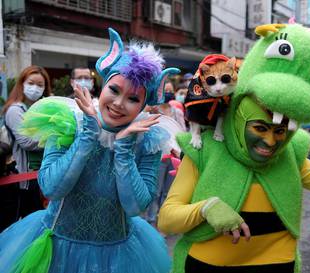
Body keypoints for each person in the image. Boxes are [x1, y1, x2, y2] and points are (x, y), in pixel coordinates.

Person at [157, 24, 310, 273]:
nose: (270, 142)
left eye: (280, 131)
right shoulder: (206, 148)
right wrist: (206, 208)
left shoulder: (290, 155)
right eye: (259, 128)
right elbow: (167, 219)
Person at [0, 28, 179, 273]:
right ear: (103, 86)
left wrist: (124, 148)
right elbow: (52, 188)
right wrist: (88, 135)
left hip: (119, 256)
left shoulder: (147, 139)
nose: (118, 104)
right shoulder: (68, 121)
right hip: (57, 250)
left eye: (133, 99)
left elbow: (135, 207)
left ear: (143, 105)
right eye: (114, 90)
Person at [0, 65, 51, 231]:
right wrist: (54, 138)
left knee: (36, 226)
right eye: (31, 83)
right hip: (21, 181)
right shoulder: (15, 110)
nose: (35, 88)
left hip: (38, 179)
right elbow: (27, 142)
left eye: (40, 85)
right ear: (22, 83)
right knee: (16, 227)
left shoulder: (43, 110)